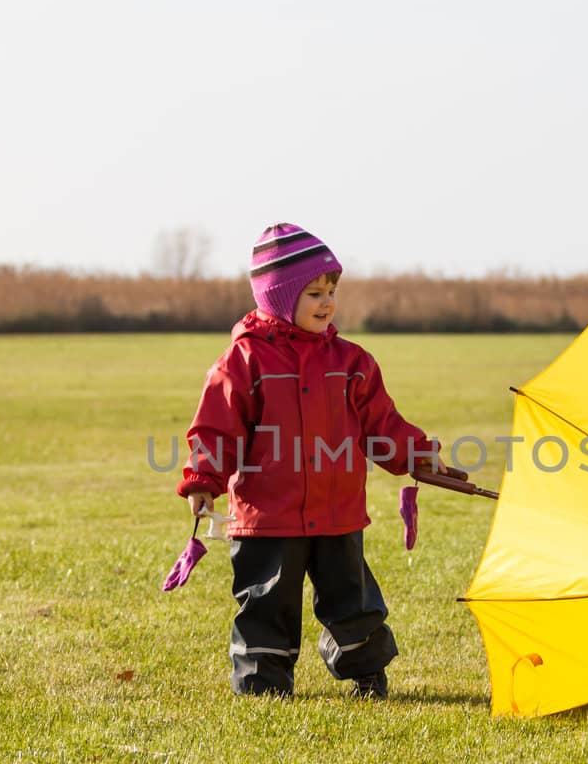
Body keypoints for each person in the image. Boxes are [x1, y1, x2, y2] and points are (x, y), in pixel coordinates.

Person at [175, 222, 447, 699]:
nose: (326, 302)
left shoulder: (351, 361)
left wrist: (416, 453)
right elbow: (217, 427)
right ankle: (263, 680)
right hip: (268, 517)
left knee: (353, 599)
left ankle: (366, 670)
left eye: (331, 291)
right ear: (278, 299)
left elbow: (381, 423)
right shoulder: (244, 361)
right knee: (266, 601)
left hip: (337, 514)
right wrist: (204, 477)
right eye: (314, 293)